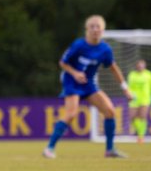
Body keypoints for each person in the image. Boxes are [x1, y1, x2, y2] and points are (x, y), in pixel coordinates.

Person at [43, 15, 130, 159]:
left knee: (110, 111)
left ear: (103, 30)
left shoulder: (105, 50)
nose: (95, 29)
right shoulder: (78, 45)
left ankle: (110, 150)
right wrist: (75, 73)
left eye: (98, 27)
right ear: (87, 29)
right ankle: (49, 148)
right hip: (71, 81)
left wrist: (125, 88)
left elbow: (114, 68)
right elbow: (62, 63)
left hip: (89, 84)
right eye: (92, 27)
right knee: (71, 114)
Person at [125, 59, 151, 144]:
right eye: (139, 65)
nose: (140, 67)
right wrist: (130, 94)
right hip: (134, 99)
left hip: (145, 99)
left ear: (145, 66)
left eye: (142, 65)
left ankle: (141, 136)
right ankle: (140, 132)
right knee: (132, 117)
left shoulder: (149, 74)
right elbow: (129, 86)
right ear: (136, 66)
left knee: (142, 116)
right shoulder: (132, 75)